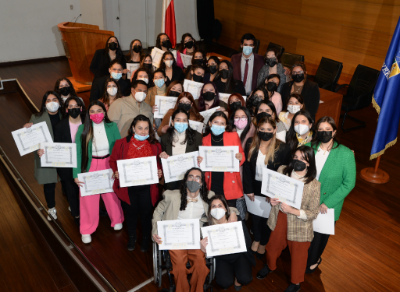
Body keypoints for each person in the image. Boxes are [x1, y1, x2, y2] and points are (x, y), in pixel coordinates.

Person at [152, 168, 239, 292]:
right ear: (186, 180)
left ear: (202, 182)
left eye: (197, 177)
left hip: (195, 238)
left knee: (201, 266)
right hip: (175, 236)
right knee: (179, 267)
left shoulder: (208, 196)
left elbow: (222, 204)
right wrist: (155, 230)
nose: (194, 179)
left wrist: (233, 213)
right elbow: (158, 211)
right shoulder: (171, 195)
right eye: (190, 177)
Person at [257, 146, 321, 292]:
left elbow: (313, 213)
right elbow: (272, 191)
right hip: (280, 216)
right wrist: (271, 199)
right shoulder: (282, 171)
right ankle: (270, 266)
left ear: (309, 162)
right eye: (296, 157)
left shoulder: (314, 185)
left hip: (300, 223)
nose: (297, 161)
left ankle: (296, 283)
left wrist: (293, 210)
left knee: (299, 255)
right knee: (272, 247)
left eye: (302, 159)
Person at [305, 116, 356, 274]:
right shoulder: (308, 147)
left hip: (328, 205)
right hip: (307, 200)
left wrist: (327, 203)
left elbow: (349, 183)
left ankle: (313, 261)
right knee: (305, 234)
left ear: (334, 132)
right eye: (320, 130)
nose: (324, 133)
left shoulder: (345, 154)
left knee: (319, 237)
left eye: (328, 130)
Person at [73, 101, 124, 244]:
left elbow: (118, 148)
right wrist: (76, 173)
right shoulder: (82, 129)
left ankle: (117, 219)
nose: (96, 114)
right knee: (88, 198)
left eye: (99, 110)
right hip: (90, 164)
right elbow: (78, 152)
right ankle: (87, 229)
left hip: (108, 163)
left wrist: (117, 168)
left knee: (111, 194)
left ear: (105, 111)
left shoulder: (112, 126)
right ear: (88, 114)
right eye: (93, 111)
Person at [110, 115, 163, 252]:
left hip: (147, 188)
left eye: (146, 128)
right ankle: (132, 236)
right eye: (140, 128)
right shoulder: (121, 143)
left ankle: (145, 238)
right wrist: (116, 172)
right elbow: (113, 161)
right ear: (133, 128)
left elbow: (159, 164)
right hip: (128, 188)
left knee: (146, 214)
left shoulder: (155, 145)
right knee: (130, 213)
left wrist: (159, 171)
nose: (143, 132)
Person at [243, 115, 291, 258]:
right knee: (255, 217)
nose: (265, 132)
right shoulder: (251, 143)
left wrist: (274, 193)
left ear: (275, 130)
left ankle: (263, 242)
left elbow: (284, 174)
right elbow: (246, 169)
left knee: (267, 219)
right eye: (262, 129)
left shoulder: (283, 148)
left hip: (271, 190)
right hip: (254, 187)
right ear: (257, 129)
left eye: (269, 129)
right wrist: (249, 189)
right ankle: (256, 239)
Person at [201, 195, 255, 290]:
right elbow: (209, 253)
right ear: (210, 210)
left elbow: (248, 242)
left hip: (240, 255)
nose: (217, 208)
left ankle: (238, 279)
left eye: (220, 205)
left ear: (226, 209)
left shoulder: (235, 220)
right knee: (224, 283)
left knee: (245, 279)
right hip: (222, 259)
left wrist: (237, 236)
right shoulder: (207, 228)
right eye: (213, 206)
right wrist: (204, 250)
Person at [23, 91, 63, 221]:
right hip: (46, 155)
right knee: (49, 184)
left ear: (59, 102)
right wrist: (27, 129)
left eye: (55, 99)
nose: (52, 102)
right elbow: (31, 140)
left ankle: (72, 205)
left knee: (68, 181)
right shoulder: (36, 117)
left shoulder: (66, 115)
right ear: (44, 104)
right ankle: (51, 208)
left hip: (64, 154)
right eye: (48, 100)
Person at [198, 112, 246, 218]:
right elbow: (202, 161)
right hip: (212, 180)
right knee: (214, 214)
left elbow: (242, 154)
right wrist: (200, 160)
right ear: (210, 123)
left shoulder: (233, 136)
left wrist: (240, 157)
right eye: (216, 122)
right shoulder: (205, 139)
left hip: (229, 180)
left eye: (222, 123)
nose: (218, 125)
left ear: (226, 125)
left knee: (229, 213)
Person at [54, 96, 86, 225]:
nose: (73, 108)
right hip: (67, 164)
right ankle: (77, 215)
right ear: (66, 109)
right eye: (70, 106)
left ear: (81, 108)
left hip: (85, 161)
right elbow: (57, 146)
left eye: (76, 106)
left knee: (85, 189)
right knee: (71, 190)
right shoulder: (60, 126)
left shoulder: (87, 122)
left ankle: (88, 212)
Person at [160, 109, 203, 190]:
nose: (181, 123)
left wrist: (200, 160)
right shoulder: (164, 138)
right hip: (172, 179)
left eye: (184, 120)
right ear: (172, 122)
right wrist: (162, 156)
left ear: (188, 122)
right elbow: (162, 158)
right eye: (178, 120)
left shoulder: (196, 136)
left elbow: (200, 156)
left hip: (190, 179)